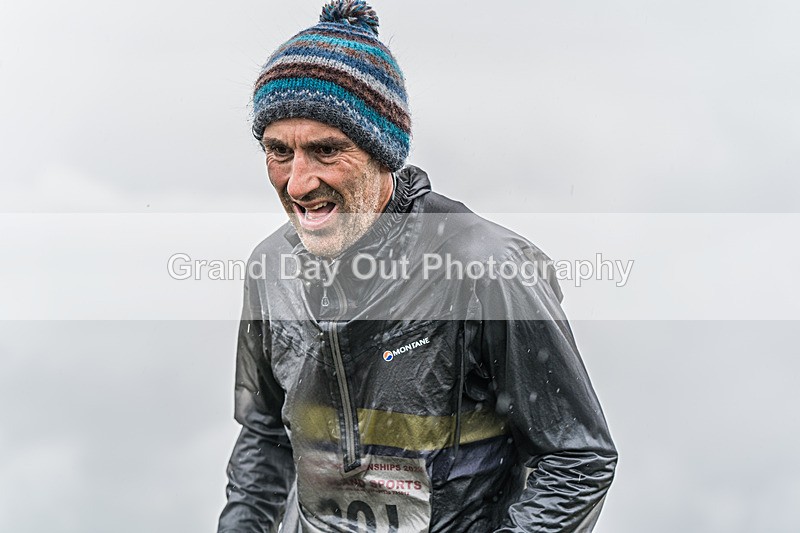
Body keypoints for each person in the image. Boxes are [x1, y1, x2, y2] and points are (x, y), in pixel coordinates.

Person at [218, 1, 617, 531]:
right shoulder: (270, 269)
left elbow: (577, 458)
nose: (297, 182)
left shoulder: (486, 271)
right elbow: (265, 435)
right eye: (278, 151)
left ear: (383, 152)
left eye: (325, 150)